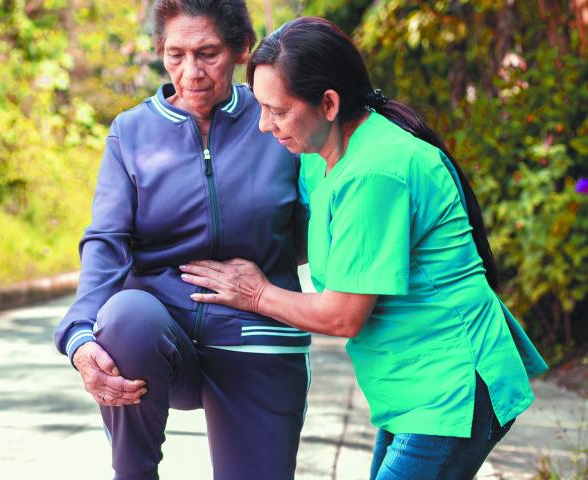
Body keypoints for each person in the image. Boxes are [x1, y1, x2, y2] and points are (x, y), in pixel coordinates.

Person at [180, 16, 548, 480]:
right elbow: (318, 239)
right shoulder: (323, 156)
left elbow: (343, 314)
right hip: (412, 384)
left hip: (450, 386)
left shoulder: (376, 171)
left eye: (277, 110)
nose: (263, 125)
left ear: (329, 103)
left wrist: (256, 294)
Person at [53, 2, 311, 479]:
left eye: (208, 53)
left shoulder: (277, 118)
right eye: (176, 54)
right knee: (125, 314)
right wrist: (79, 336)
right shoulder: (131, 133)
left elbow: (319, 226)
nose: (190, 73)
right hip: (157, 333)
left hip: (256, 335)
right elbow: (106, 241)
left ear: (241, 50)